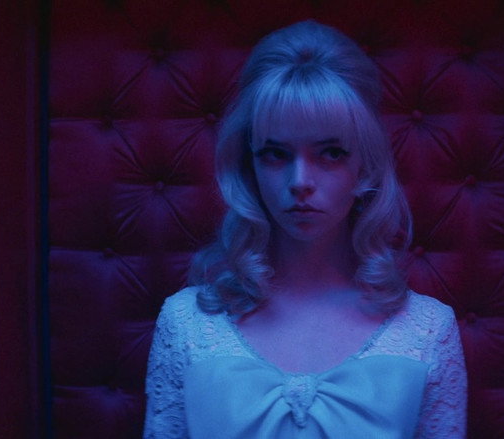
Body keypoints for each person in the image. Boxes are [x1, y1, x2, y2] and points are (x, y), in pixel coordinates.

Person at [143, 20, 466, 439]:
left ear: (365, 165)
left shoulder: (428, 331)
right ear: (249, 165)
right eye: (275, 154)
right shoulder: (185, 324)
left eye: (330, 153)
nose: (300, 181)